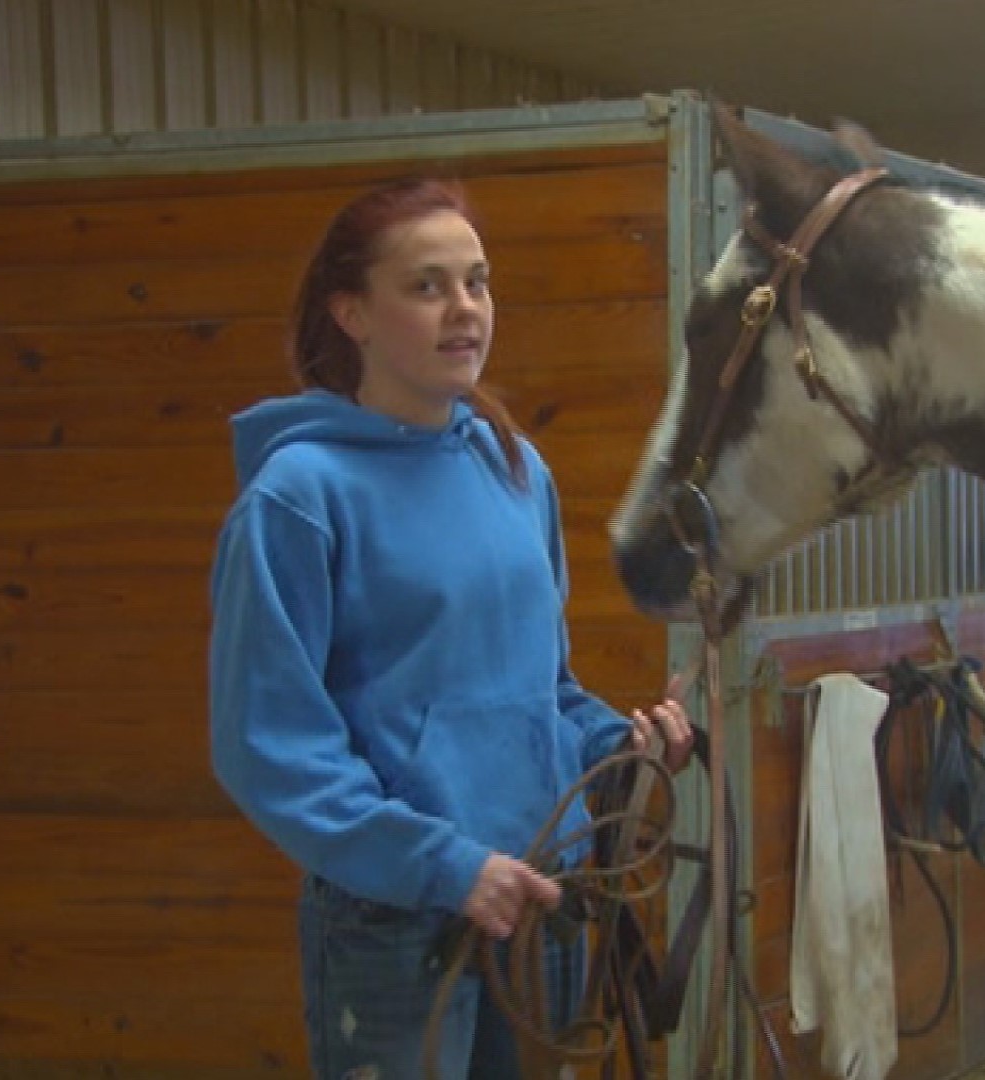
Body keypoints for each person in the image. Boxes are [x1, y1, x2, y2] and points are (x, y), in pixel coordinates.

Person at [207, 176, 693, 1080]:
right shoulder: (299, 497)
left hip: (540, 891)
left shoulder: (514, 469)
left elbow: (538, 688)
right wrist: (441, 865)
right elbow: (267, 742)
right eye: (427, 286)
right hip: (396, 921)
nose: (464, 310)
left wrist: (616, 744)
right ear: (351, 311)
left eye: (478, 281)